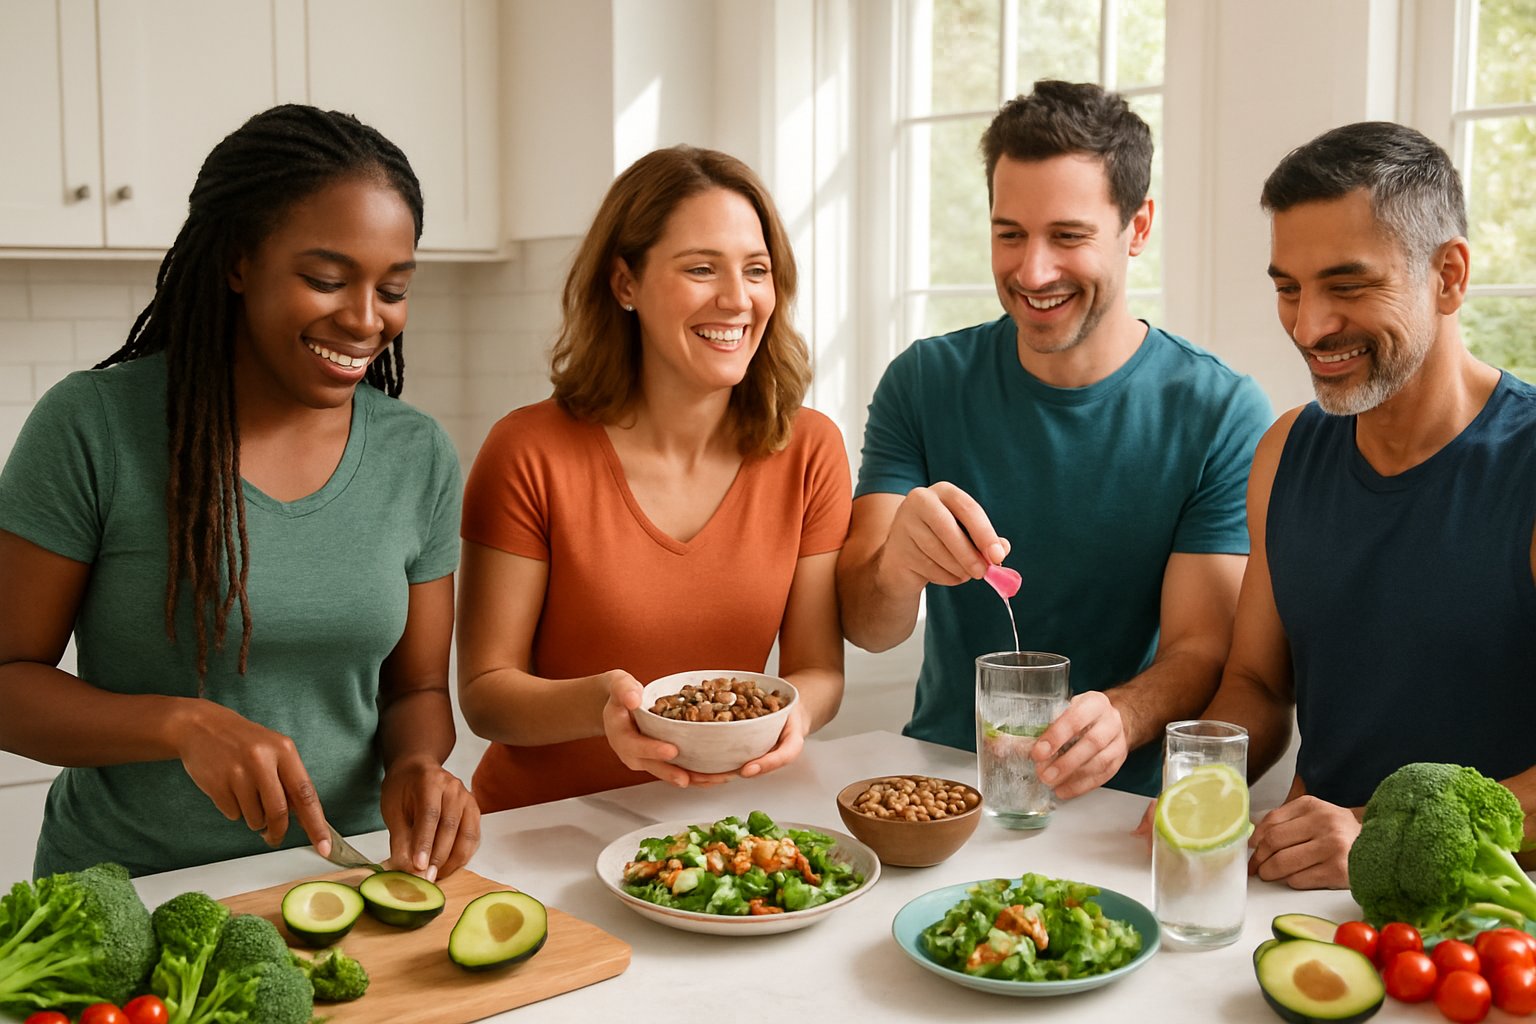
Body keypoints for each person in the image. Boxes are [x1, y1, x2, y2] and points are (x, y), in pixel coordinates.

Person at [0, 104, 479, 880]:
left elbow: (418, 686)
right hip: (134, 890)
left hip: (345, 879)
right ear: (237, 262)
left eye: (392, 288)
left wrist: (416, 767)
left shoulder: (415, 452)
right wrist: (180, 724)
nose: (365, 319)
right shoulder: (94, 426)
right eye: (326, 279)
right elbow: (8, 681)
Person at [837, 80, 1272, 800]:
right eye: (1010, 234)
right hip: (940, 795)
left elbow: (1203, 647)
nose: (1032, 272)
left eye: (1068, 237)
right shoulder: (924, 381)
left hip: (1114, 809)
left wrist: (1125, 717)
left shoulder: (1218, 411)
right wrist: (896, 566)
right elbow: (868, 627)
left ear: (1138, 228)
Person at [456, 145, 850, 812]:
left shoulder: (810, 450)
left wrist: (795, 715)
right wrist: (607, 705)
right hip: (541, 835)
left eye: (757, 270)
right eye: (701, 268)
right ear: (625, 284)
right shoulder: (528, 451)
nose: (737, 299)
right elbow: (487, 695)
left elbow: (818, 672)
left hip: (717, 829)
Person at [1197, 121, 1536, 889]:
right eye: (1288, 288)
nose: (1309, 327)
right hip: (1305, 899)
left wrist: (1386, 838)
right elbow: (1255, 681)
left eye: (1347, 286)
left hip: (1490, 922)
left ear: (1449, 276)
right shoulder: (1285, 451)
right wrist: (1203, 780)